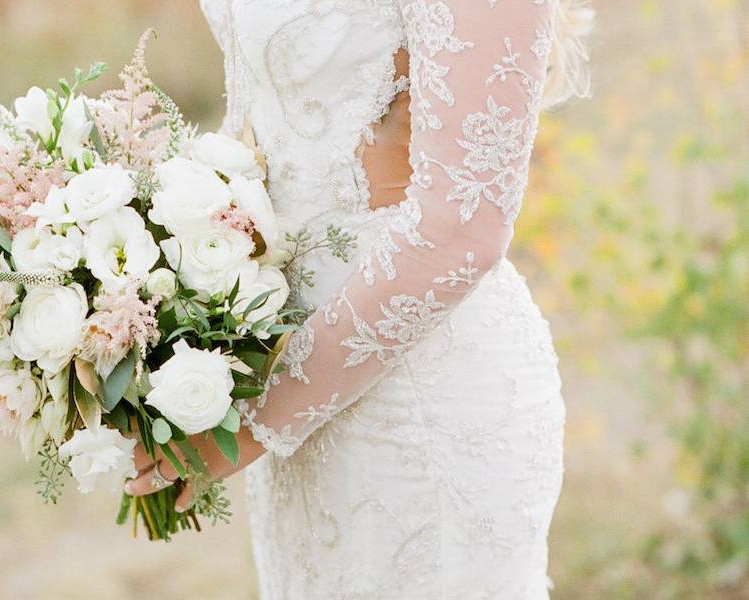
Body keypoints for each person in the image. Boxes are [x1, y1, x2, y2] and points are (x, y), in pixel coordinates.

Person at [128, 1, 594, 597]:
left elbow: (460, 232)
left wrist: (260, 421)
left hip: (416, 396)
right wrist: (161, 321)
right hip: (284, 354)